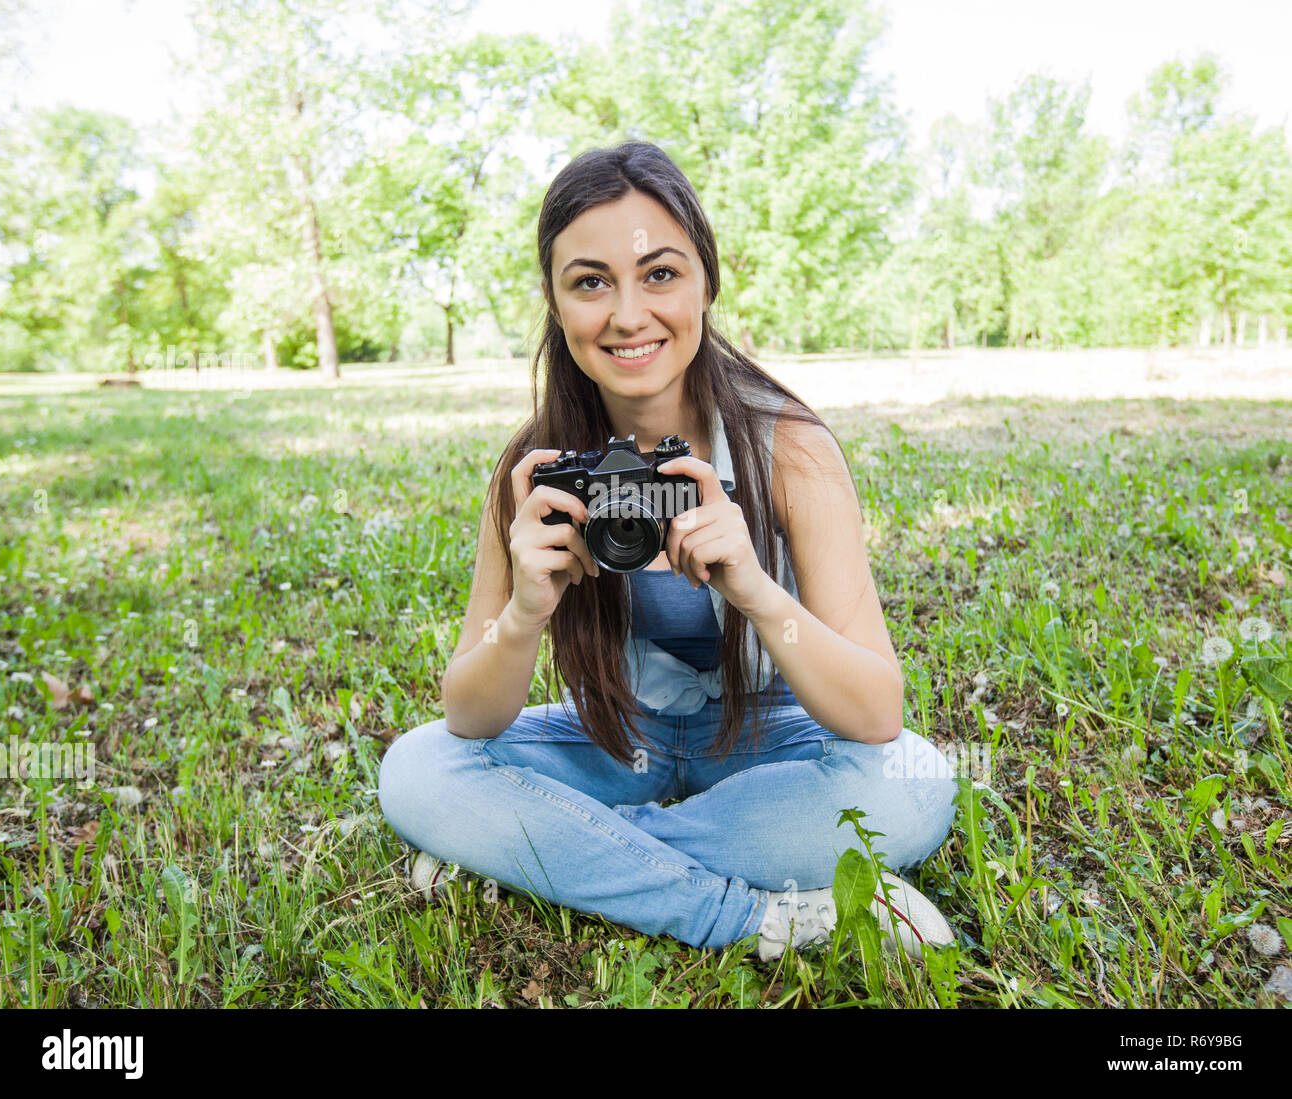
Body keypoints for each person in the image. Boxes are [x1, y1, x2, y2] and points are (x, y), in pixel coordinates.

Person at [378, 140, 959, 962]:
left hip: (766, 737)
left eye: (660, 274)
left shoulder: (786, 448)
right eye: (590, 281)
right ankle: (751, 913)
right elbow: (472, 716)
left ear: (705, 282)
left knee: (916, 781)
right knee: (418, 768)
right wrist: (523, 614)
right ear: (554, 300)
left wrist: (757, 589)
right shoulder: (537, 467)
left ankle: (552, 853)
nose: (626, 314)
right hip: (623, 737)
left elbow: (876, 712)